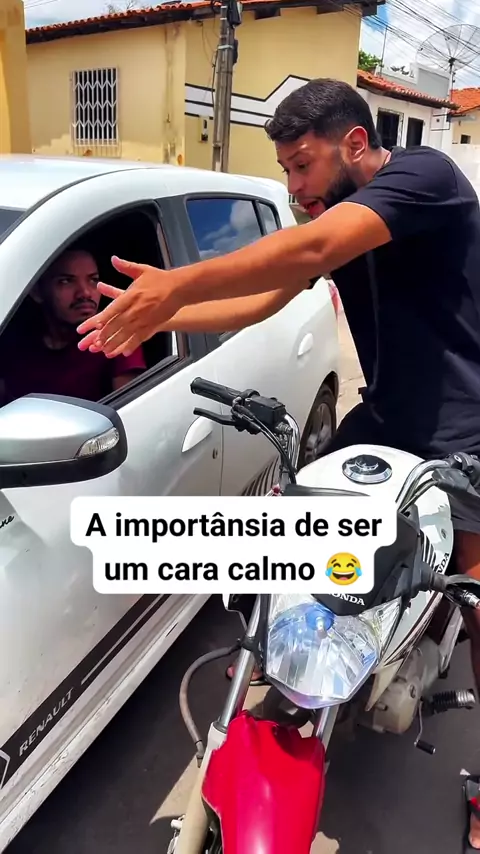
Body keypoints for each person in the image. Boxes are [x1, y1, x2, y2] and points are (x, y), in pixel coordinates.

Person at [77, 79, 480, 847]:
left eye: (302, 166)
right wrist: (158, 319)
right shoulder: (334, 217)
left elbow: (315, 249)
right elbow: (263, 296)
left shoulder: (425, 178)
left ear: (354, 144)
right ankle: (293, 670)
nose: (293, 188)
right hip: (386, 418)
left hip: (467, 428)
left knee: (478, 598)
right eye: (286, 171)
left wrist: (176, 283)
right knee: (294, 535)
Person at [0, 245, 145, 405]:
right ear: (37, 292)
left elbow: (133, 409)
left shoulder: (116, 335)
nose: (85, 293)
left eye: (93, 280)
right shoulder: (15, 345)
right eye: (66, 281)